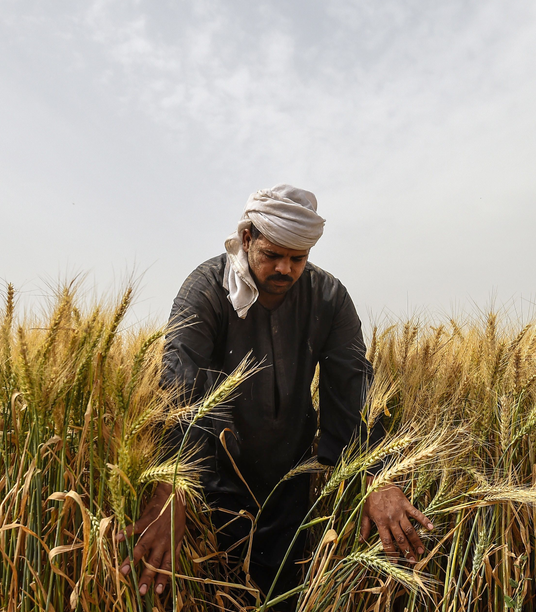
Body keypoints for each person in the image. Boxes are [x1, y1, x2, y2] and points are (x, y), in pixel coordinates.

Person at [115, 185, 432, 608]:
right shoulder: (206, 290)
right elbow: (180, 388)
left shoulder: (329, 298)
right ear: (247, 239)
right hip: (211, 485)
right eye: (272, 255)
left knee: (281, 594)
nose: (285, 268)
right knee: (212, 594)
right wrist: (171, 491)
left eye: (297, 258)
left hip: (291, 484)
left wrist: (378, 476)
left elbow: (353, 387)